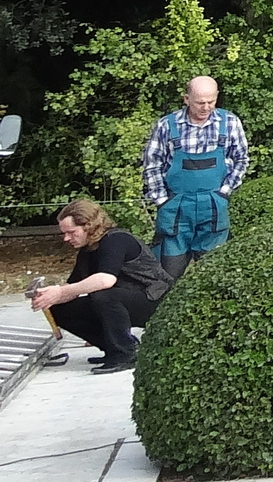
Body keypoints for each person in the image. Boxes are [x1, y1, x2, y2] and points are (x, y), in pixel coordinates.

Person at [29, 199, 171, 373]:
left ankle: (125, 353)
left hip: (156, 299)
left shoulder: (117, 239)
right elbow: (73, 287)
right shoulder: (87, 251)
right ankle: (114, 348)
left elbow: (105, 280)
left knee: (104, 295)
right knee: (60, 308)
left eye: (71, 232)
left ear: (88, 226)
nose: (66, 238)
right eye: (64, 233)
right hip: (126, 300)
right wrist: (49, 297)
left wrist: (61, 291)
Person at [140, 74, 251, 281]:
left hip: (214, 208)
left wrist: (224, 192)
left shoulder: (229, 123)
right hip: (176, 210)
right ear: (186, 99)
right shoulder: (167, 126)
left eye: (211, 101)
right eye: (200, 102)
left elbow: (241, 160)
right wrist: (162, 200)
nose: (206, 107)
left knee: (214, 275)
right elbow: (152, 165)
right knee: (167, 276)